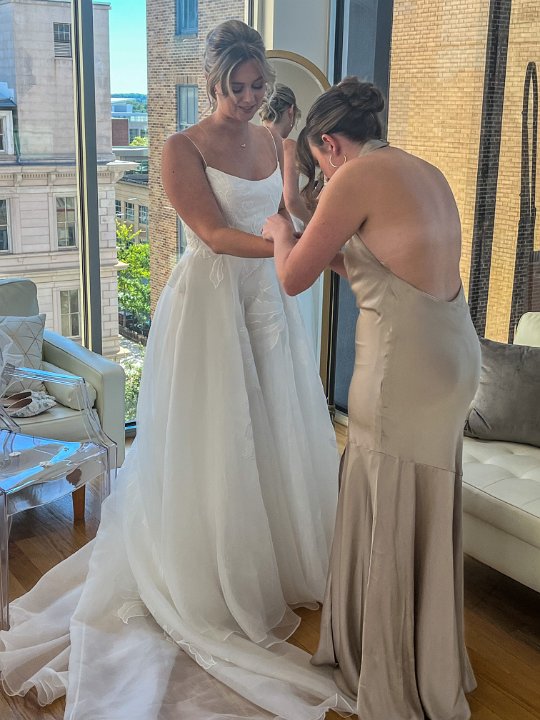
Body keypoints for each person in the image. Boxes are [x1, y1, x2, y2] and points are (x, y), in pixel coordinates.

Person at [0, 21, 344, 720]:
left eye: (258, 85)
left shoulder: (270, 138)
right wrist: (289, 246)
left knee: (277, 421)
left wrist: (304, 192)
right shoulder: (181, 147)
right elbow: (214, 234)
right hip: (213, 303)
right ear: (213, 82)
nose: (249, 97)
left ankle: (276, 559)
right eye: (237, 86)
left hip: (268, 301)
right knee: (220, 434)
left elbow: (287, 209)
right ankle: (213, 568)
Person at [263, 77, 481, 720]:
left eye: (320, 163)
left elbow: (293, 276)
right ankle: (426, 658)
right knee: (420, 501)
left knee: (387, 502)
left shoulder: (356, 178)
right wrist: (292, 181)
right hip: (452, 356)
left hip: (402, 368)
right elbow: (367, 261)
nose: (324, 179)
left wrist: (278, 231)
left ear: (331, 144)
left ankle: (388, 673)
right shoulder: (422, 171)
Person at [259, 84, 311, 227]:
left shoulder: (251, 143)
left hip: (260, 225)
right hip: (286, 225)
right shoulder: (288, 146)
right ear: (291, 111)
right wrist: (311, 222)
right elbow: (291, 200)